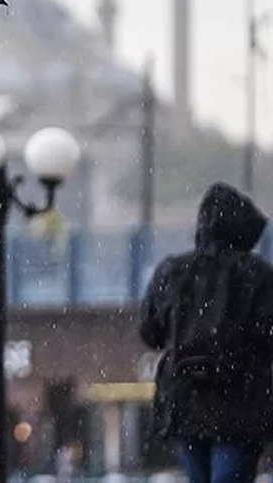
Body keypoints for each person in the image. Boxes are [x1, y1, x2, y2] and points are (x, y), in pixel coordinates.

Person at [140, 182, 272, 483]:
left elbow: (150, 332)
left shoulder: (172, 271)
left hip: (185, 401)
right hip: (242, 402)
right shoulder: (259, 276)